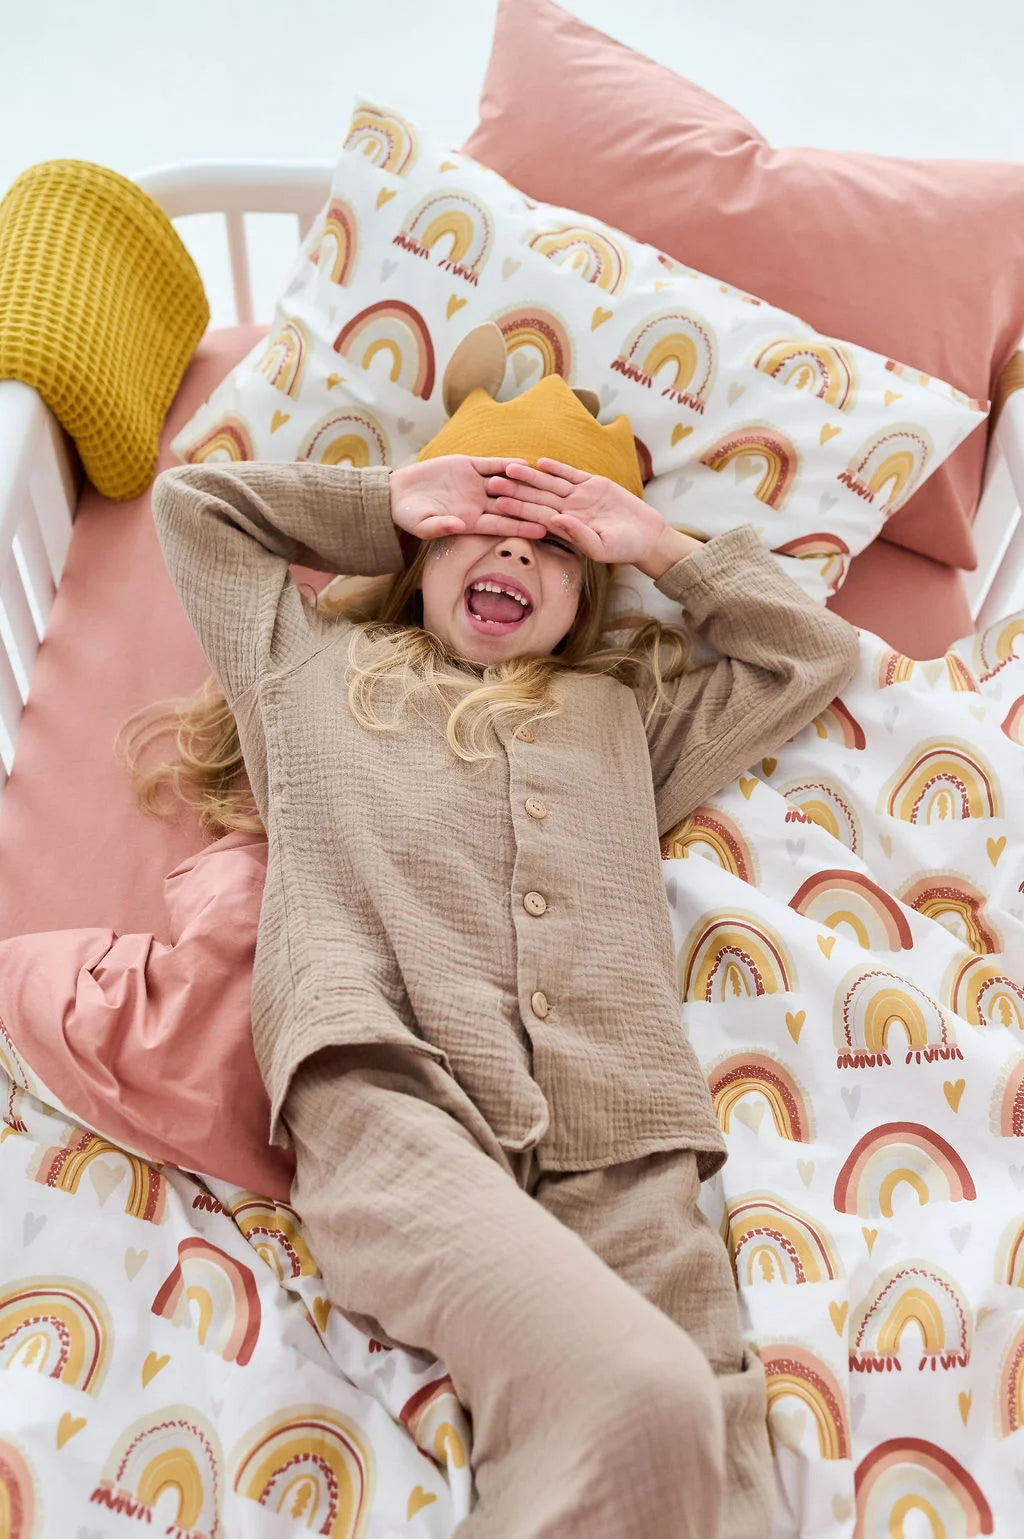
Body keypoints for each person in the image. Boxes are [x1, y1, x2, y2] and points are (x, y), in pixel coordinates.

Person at [143, 377, 861, 1538]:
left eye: (554, 544)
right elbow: (198, 508)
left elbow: (804, 651)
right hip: (392, 1098)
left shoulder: (619, 721)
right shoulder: (304, 672)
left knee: (721, 1472)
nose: (516, 552)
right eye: (484, 520)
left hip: (624, 1142)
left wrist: (652, 543)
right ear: (423, 552)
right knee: (641, 1396)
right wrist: (393, 499)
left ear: (584, 597)